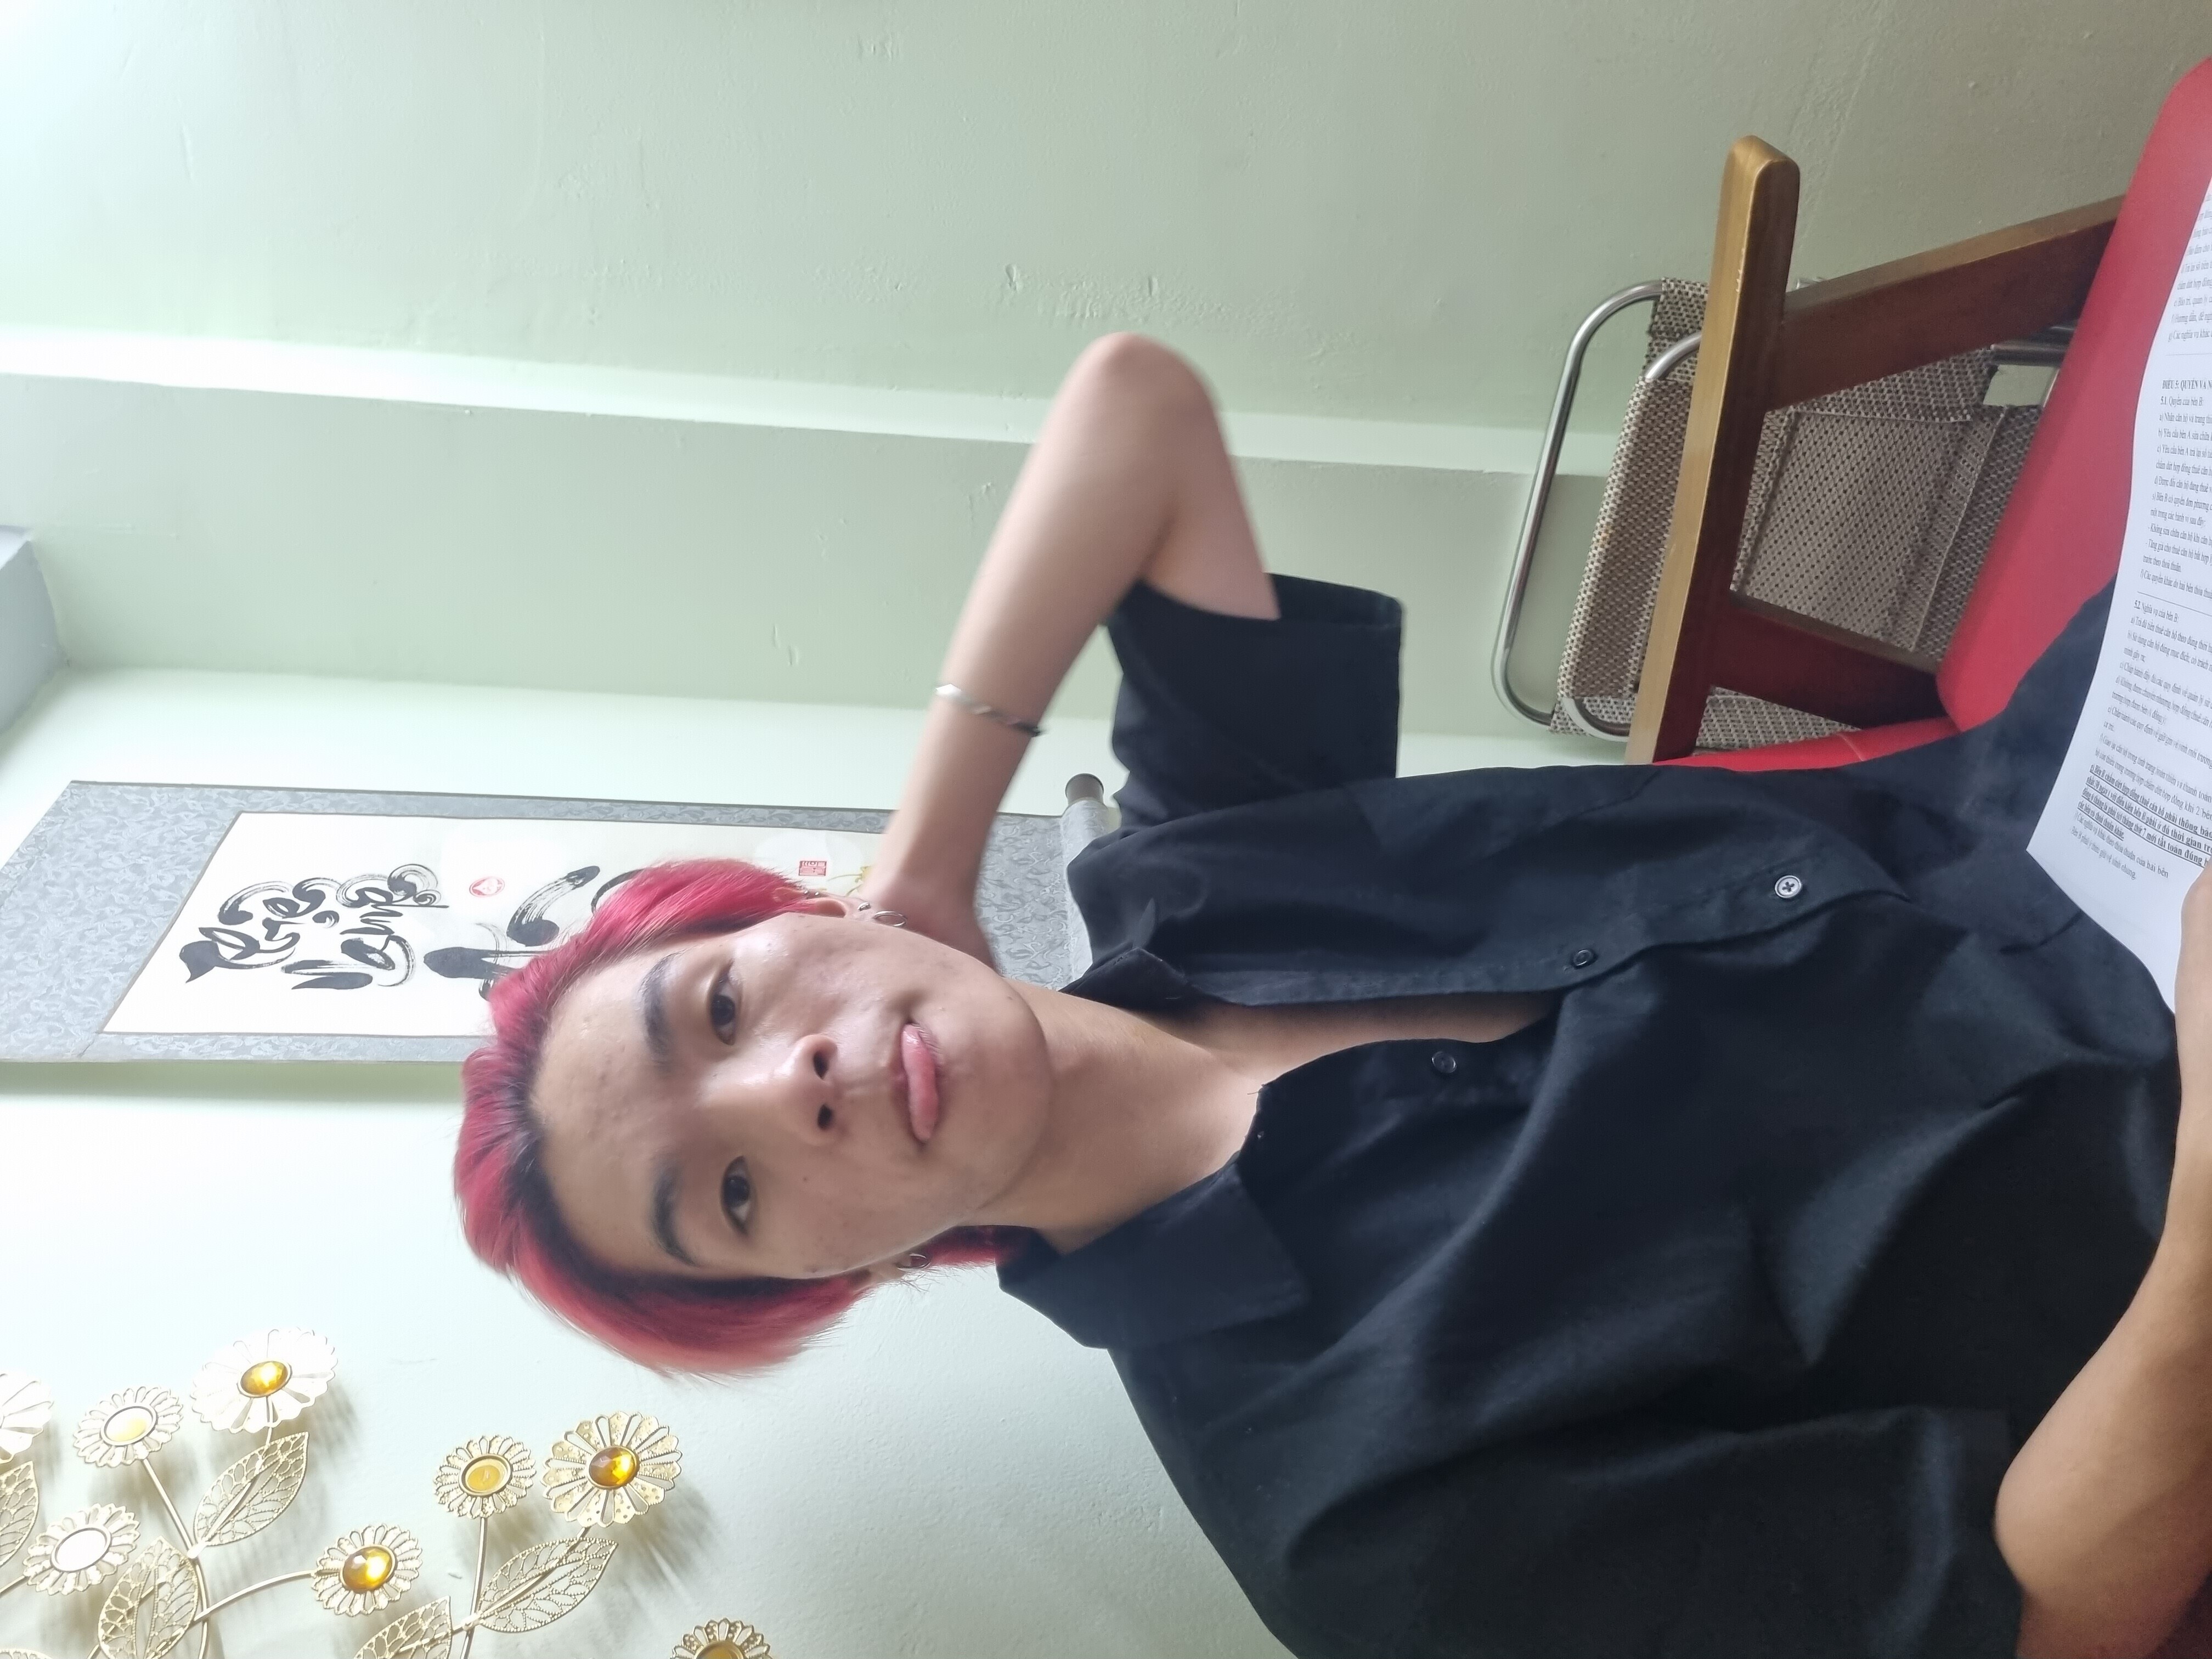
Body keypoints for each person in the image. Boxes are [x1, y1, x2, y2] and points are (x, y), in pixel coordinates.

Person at [455, 334, 2212, 1659]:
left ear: (796, 915)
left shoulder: (1209, 867)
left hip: (2097, 783)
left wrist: (925, 859)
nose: (791, 1089)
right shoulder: (1351, 1505)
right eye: (732, 1192)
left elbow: (1137, 407)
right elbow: (2036, 1613)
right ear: (836, 1277)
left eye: (722, 1009)